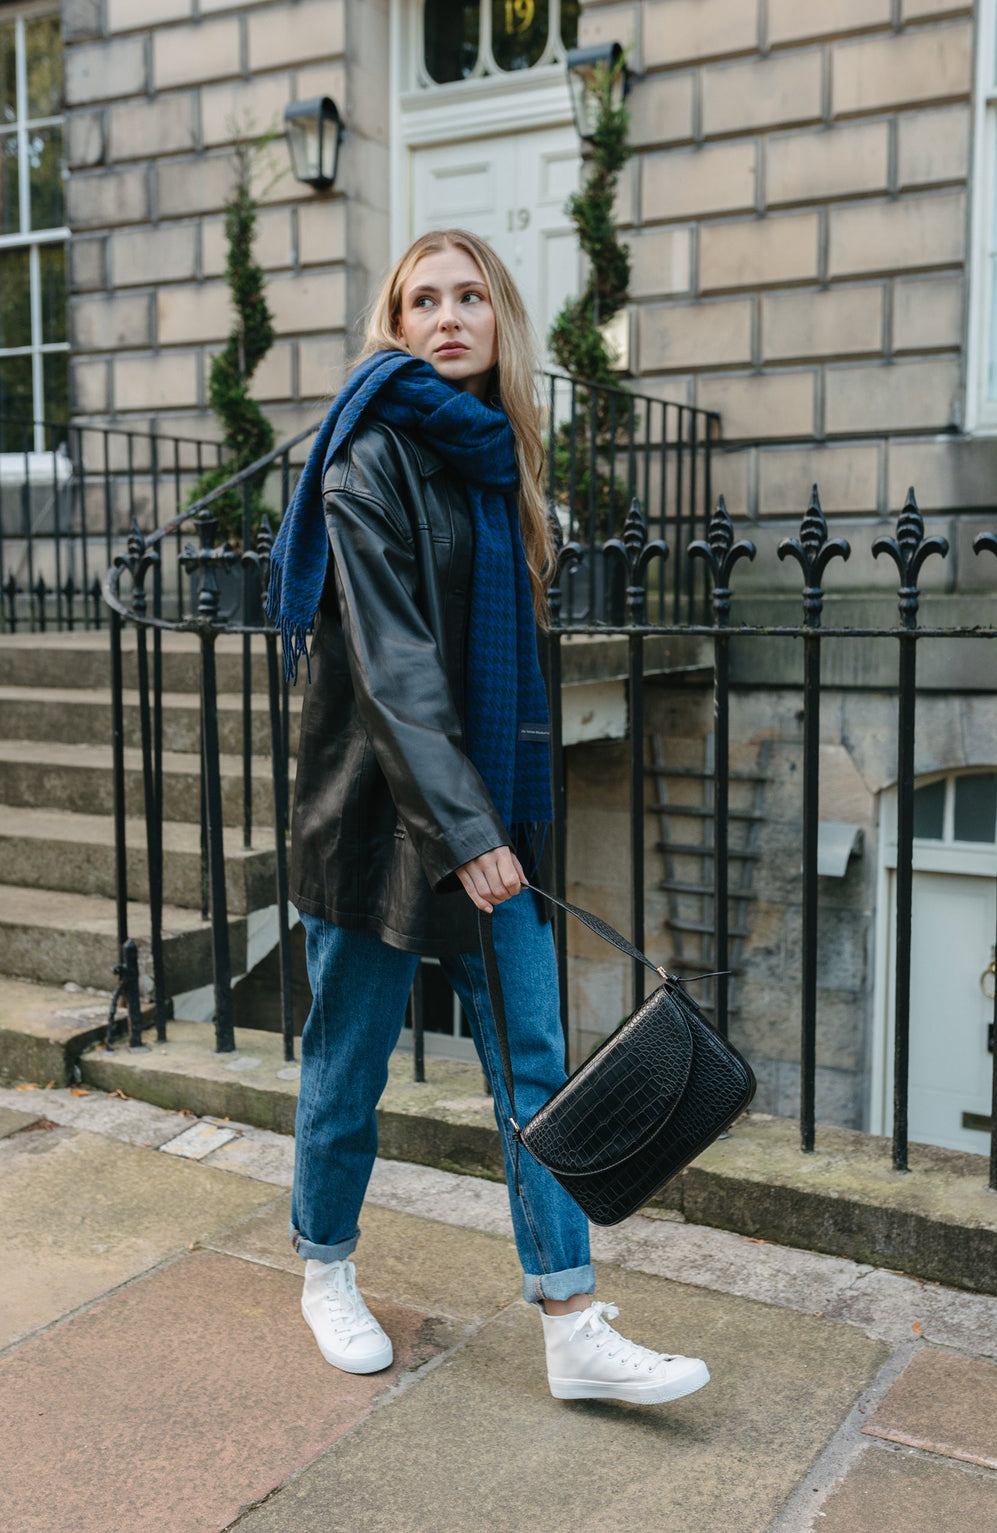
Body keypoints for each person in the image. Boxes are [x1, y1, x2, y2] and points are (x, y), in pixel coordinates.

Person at [266, 228, 709, 1405]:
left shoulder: (495, 459)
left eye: (472, 297)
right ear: (395, 325)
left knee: (535, 1069)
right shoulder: (370, 458)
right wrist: (470, 839)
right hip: (378, 820)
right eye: (424, 300)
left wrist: (491, 825)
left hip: (489, 814)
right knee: (347, 1064)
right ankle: (325, 1267)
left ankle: (570, 1322)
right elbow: (396, 669)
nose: (449, 316)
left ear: (501, 318)